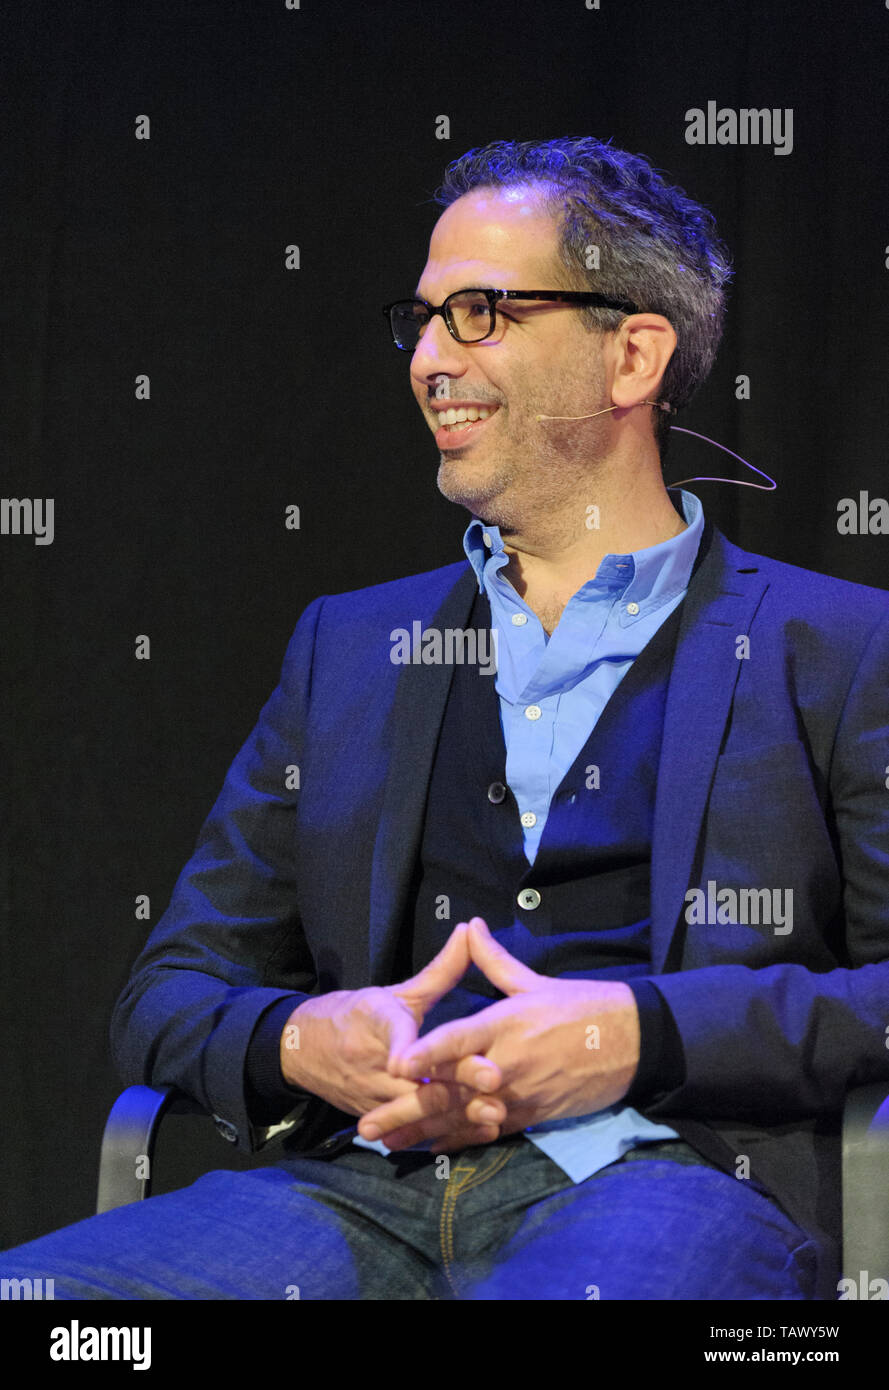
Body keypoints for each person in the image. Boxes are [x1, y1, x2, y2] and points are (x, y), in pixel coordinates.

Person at [2, 136, 888, 1302]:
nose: (428, 359)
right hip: (352, 1194)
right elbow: (169, 991)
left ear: (631, 354)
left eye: (478, 313)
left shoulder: (836, 645)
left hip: (667, 1181)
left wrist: (639, 1033)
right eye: (419, 320)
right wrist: (298, 1041)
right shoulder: (348, 648)